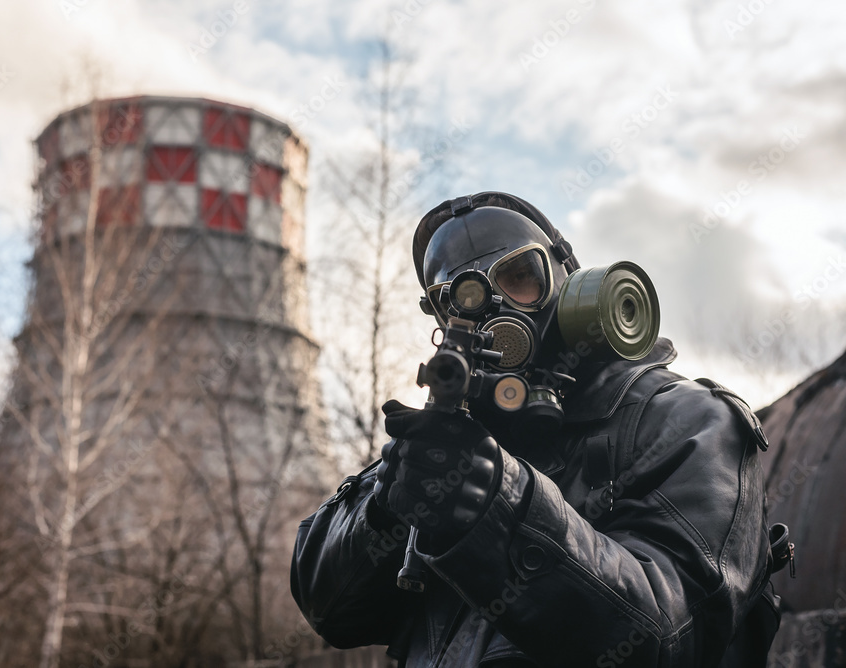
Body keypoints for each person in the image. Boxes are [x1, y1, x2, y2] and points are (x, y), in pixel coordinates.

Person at [291, 192, 780, 667]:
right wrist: (386, 504)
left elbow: (668, 637)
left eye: (519, 276)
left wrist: (496, 504)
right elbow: (328, 610)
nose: (495, 310)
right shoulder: (456, 440)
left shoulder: (688, 421)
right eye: (461, 299)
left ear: (570, 285)